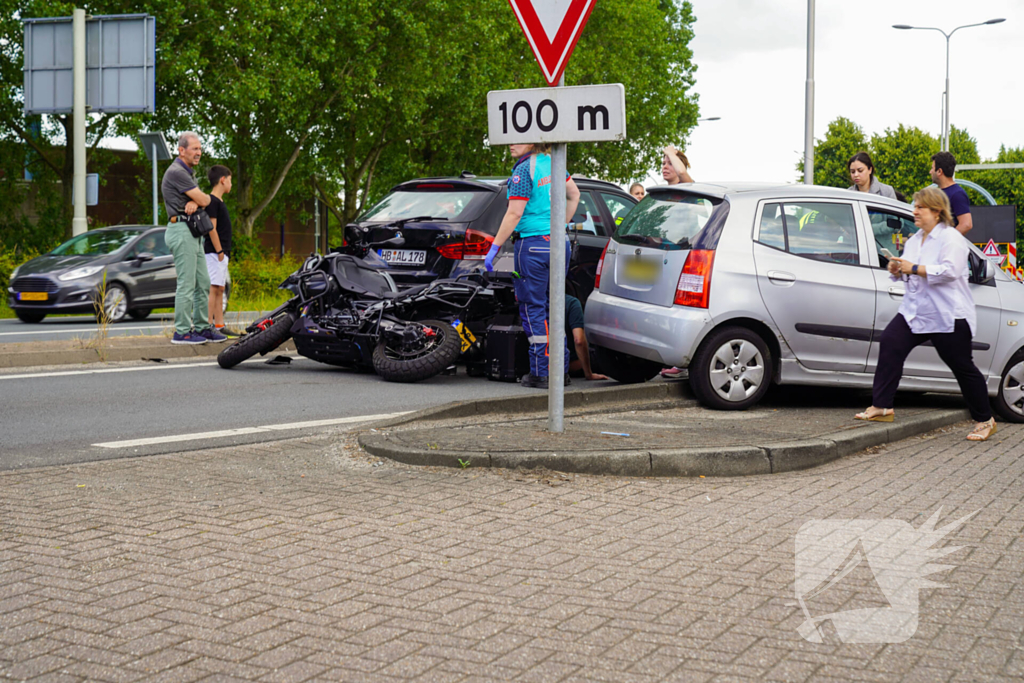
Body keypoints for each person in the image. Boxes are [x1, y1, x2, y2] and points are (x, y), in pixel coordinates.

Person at [854, 186, 996, 441]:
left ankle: (985, 420)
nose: (915, 211)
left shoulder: (951, 238)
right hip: (915, 311)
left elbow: (950, 271)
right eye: (915, 206)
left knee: (962, 367)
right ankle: (883, 406)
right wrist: (896, 269)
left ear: (936, 211)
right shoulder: (915, 238)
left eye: (920, 207)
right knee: (890, 343)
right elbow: (908, 270)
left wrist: (915, 268)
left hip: (947, 315)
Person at [483, 143, 581, 389]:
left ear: (534, 139)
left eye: (518, 138)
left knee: (533, 308)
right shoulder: (554, 162)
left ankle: (541, 372)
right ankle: (560, 370)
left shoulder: (523, 170)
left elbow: (514, 214)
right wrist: (560, 224)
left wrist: (494, 247)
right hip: (559, 243)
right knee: (555, 305)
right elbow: (575, 194)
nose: (510, 143)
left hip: (533, 245)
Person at [161, 132, 226, 345]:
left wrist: (196, 202)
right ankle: (181, 332)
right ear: (182, 150)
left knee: (203, 282)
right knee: (187, 283)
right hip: (181, 229)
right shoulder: (177, 171)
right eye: (194, 148)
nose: (198, 152)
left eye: (200, 148)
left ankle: (201, 328)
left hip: (192, 230)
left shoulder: (188, 174)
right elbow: (205, 197)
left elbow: (203, 199)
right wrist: (199, 200)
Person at [661, 144, 694, 379]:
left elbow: (683, 174)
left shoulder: (688, 188)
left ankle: (682, 365)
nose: (665, 166)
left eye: (669, 162)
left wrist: (671, 151)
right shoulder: (662, 195)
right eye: (662, 163)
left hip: (681, 255)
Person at [204, 165, 239, 337]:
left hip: (221, 252)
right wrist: (219, 250)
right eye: (230, 180)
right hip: (214, 252)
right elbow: (212, 228)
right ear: (223, 180)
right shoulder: (212, 201)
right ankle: (208, 325)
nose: (231, 184)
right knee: (214, 288)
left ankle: (219, 324)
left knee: (220, 288)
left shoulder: (219, 202)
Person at [565, 294, 608, 380]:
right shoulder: (571, 303)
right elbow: (579, 340)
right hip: (574, 365)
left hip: (545, 366)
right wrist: (589, 374)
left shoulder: (534, 305)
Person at [930, 151, 972, 236]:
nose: (930, 172)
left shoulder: (957, 194)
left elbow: (966, 224)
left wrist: (947, 240)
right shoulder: (938, 193)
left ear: (939, 171)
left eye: (932, 168)